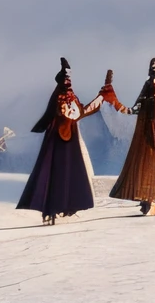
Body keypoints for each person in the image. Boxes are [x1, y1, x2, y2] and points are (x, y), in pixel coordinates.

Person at [16, 59, 99, 223]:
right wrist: (99, 100)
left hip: (66, 138)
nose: (69, 81)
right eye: (66, 78)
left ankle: (60, 207)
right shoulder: (61, 96)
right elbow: (76, 113)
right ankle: (52, 208)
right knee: (55, 173)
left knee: (64, 173)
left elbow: (79, 112)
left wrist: (100, 99)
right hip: (59, 138)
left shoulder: (67, 96)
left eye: (69, 78)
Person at [109, 56, 155, 216]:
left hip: (146, 134)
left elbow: (138, 108)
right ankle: (150, 202)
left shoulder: (152, 88)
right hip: (150, 135)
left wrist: (117, 104)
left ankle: (149, 202)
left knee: (151, 168)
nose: (154, 76)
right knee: (152, 168)